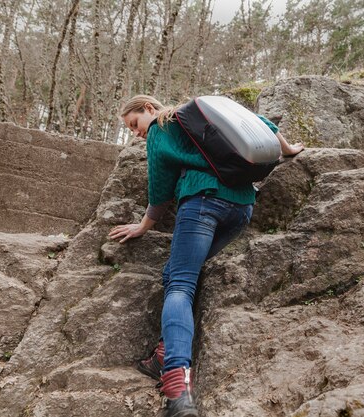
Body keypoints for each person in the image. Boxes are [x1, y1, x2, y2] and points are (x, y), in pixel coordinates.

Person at [108, 95, 303, 417]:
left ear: (149, 109)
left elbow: (160, 183)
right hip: (241, 209)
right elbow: (264, 125)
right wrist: (288, 150)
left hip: (202, 205)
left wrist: (144, 225)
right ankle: (162, 354)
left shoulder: (162, 128)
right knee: (177, 274)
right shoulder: (203, 115)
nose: (137, 133)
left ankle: (177, 388)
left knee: (179, 285)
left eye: (134, 124)